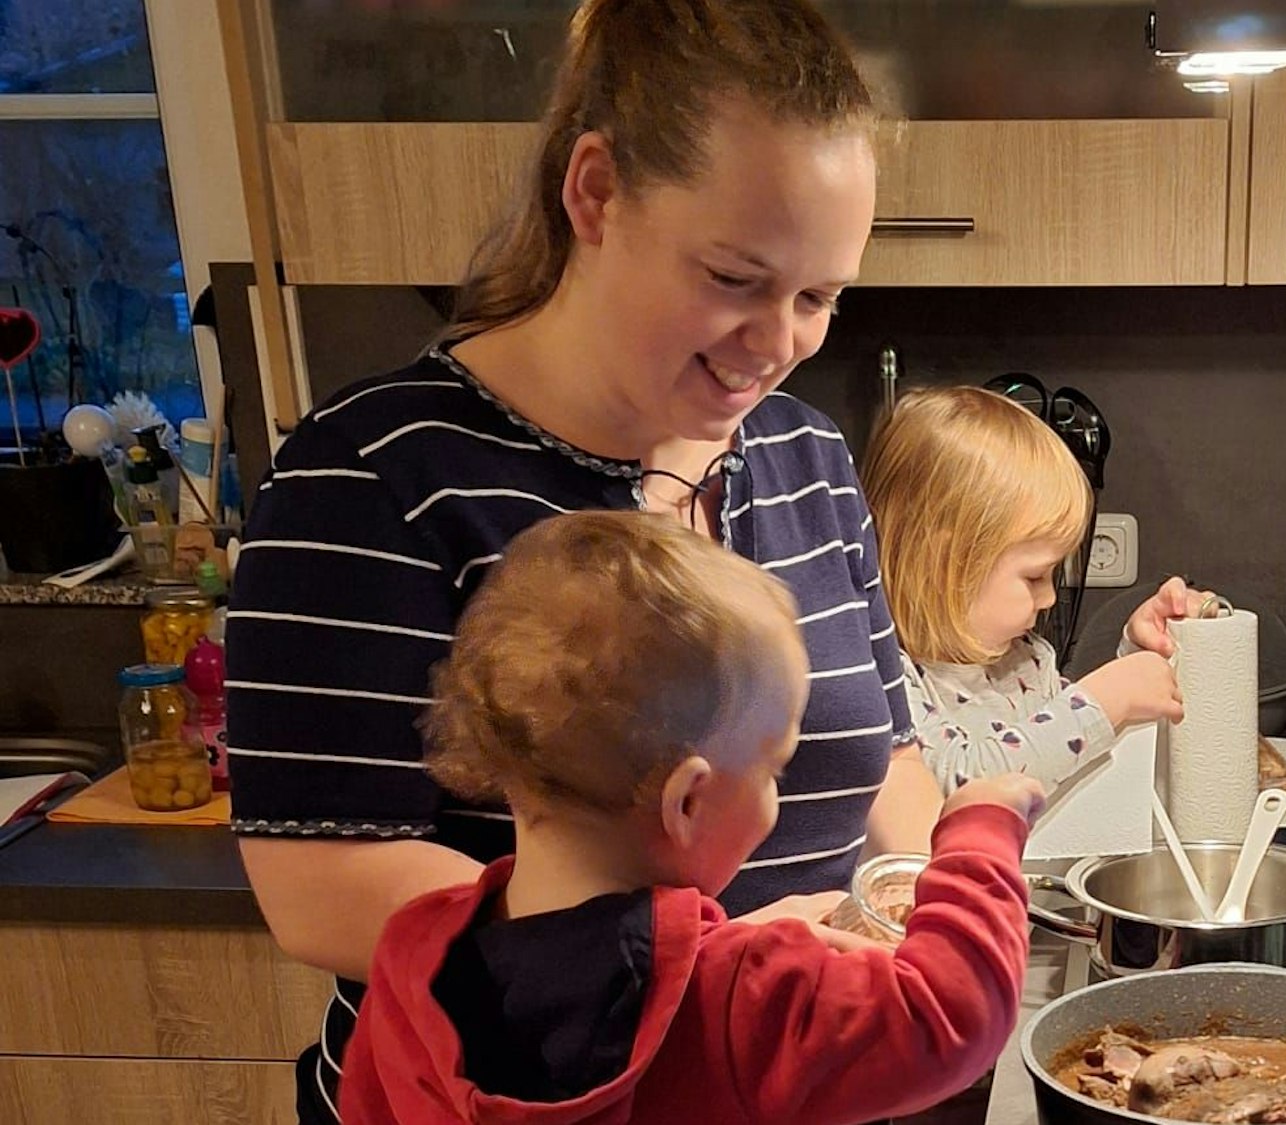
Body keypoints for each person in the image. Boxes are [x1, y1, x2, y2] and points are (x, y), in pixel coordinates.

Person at [224, 2, 939, 1117]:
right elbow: (319, 881)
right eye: (735, 278)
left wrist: (920, 906)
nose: (778, 343)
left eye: (818, 296)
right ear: (595, 192)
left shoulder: (806, 454)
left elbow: (884, 758)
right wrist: (706, 984)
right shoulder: (371, 471)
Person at [337, 512, 1041, 1124]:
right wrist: (980, 834)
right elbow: (953, 1016)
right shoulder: (741, 998)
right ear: (688, 801)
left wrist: (723, 940)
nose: (776, 791)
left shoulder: (412, 960)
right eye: (774, 767)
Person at [861, 385, 1199, 793]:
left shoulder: (1025, 661)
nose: (1050, 598)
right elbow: (959, 780)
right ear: (945, 564)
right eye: (1035, 576)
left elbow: (1064, 749)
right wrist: (1107, 698)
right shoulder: (887, 677)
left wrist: (1138, 656)